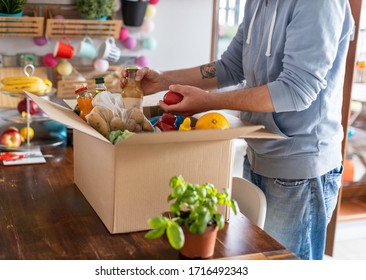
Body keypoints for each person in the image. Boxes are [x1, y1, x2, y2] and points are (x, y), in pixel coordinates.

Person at [120, 0, 354, 260]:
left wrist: (208, 102)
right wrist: (163, 80)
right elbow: (230, 67)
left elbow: (296, 90)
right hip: (258, 152)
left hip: (299, 167)